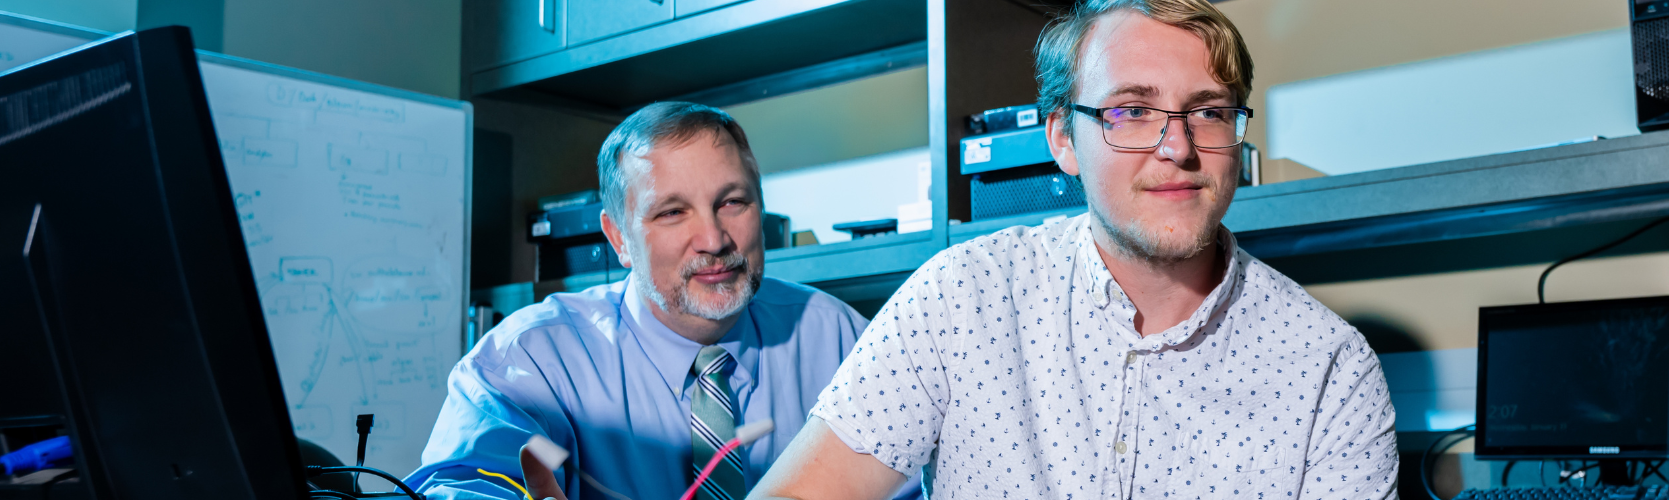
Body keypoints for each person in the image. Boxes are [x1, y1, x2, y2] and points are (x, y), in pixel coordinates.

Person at [748, 0, 1399, 498]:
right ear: (1062, 139)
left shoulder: (1330, 371)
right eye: (1131, 112)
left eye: (1207, 111)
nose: (1178, 149)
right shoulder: (961, 298)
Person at [405, 103, 889, 500]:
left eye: (732, 202)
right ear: (617, 237)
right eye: (673, 212)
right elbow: (466, 483)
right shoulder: (532, 360)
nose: (714, 239)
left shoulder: (843, 342)